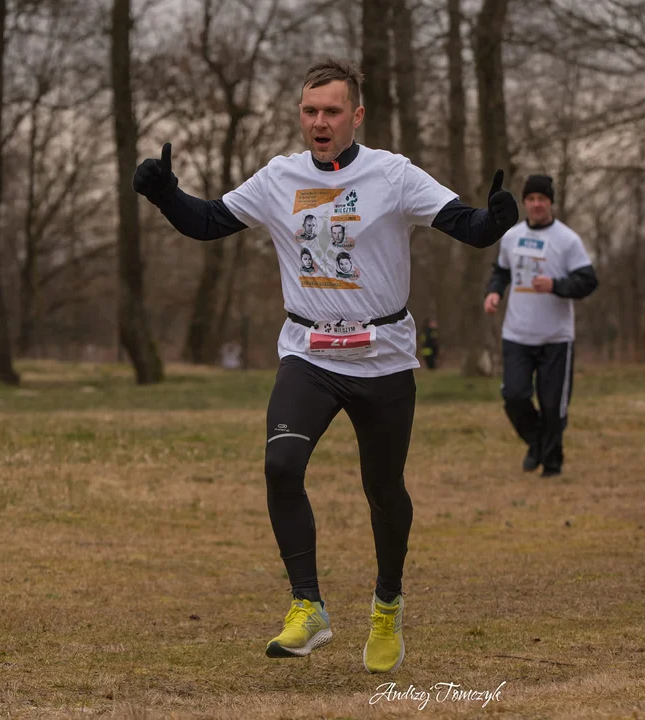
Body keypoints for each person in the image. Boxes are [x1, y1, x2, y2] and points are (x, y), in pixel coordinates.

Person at [132, 58, 519, 672]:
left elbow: (467, 227)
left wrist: (496, 219)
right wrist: (163, 193)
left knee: (383, 490)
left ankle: (387, 603)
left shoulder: (392, 175)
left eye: (332, 111)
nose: (320, 121)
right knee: (280, 464)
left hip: (383, 357)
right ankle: (307, 606)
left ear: (356, 115)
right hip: (308, 353)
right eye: (310, 111)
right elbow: (206, 222)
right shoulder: (278, 178)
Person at [484, 174, 598, 478]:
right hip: (517, 334)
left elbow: (588, 281)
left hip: (556, 337)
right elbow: (501, 272)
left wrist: (556, 285)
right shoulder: (511, 237)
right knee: (515, 395)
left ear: (551, 202)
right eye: (531, 199)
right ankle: (537, 444)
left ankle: (552, 464)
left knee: (553, 406)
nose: (536, 204)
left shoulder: (567, 239)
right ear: (525, 202)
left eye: (542, 199)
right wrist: (494, 292)